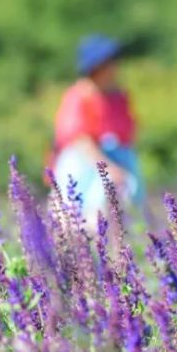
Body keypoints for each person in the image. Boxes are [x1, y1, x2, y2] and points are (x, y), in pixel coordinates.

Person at [51, 34, 143, 224]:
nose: (115, 67)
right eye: (110, 62)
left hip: (117, 164)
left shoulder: (119, 97)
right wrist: (109, 168)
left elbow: (128, 134)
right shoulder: (78, 97)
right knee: (81, 220)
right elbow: (79, 140)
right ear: (96, 67)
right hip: (85, 166)